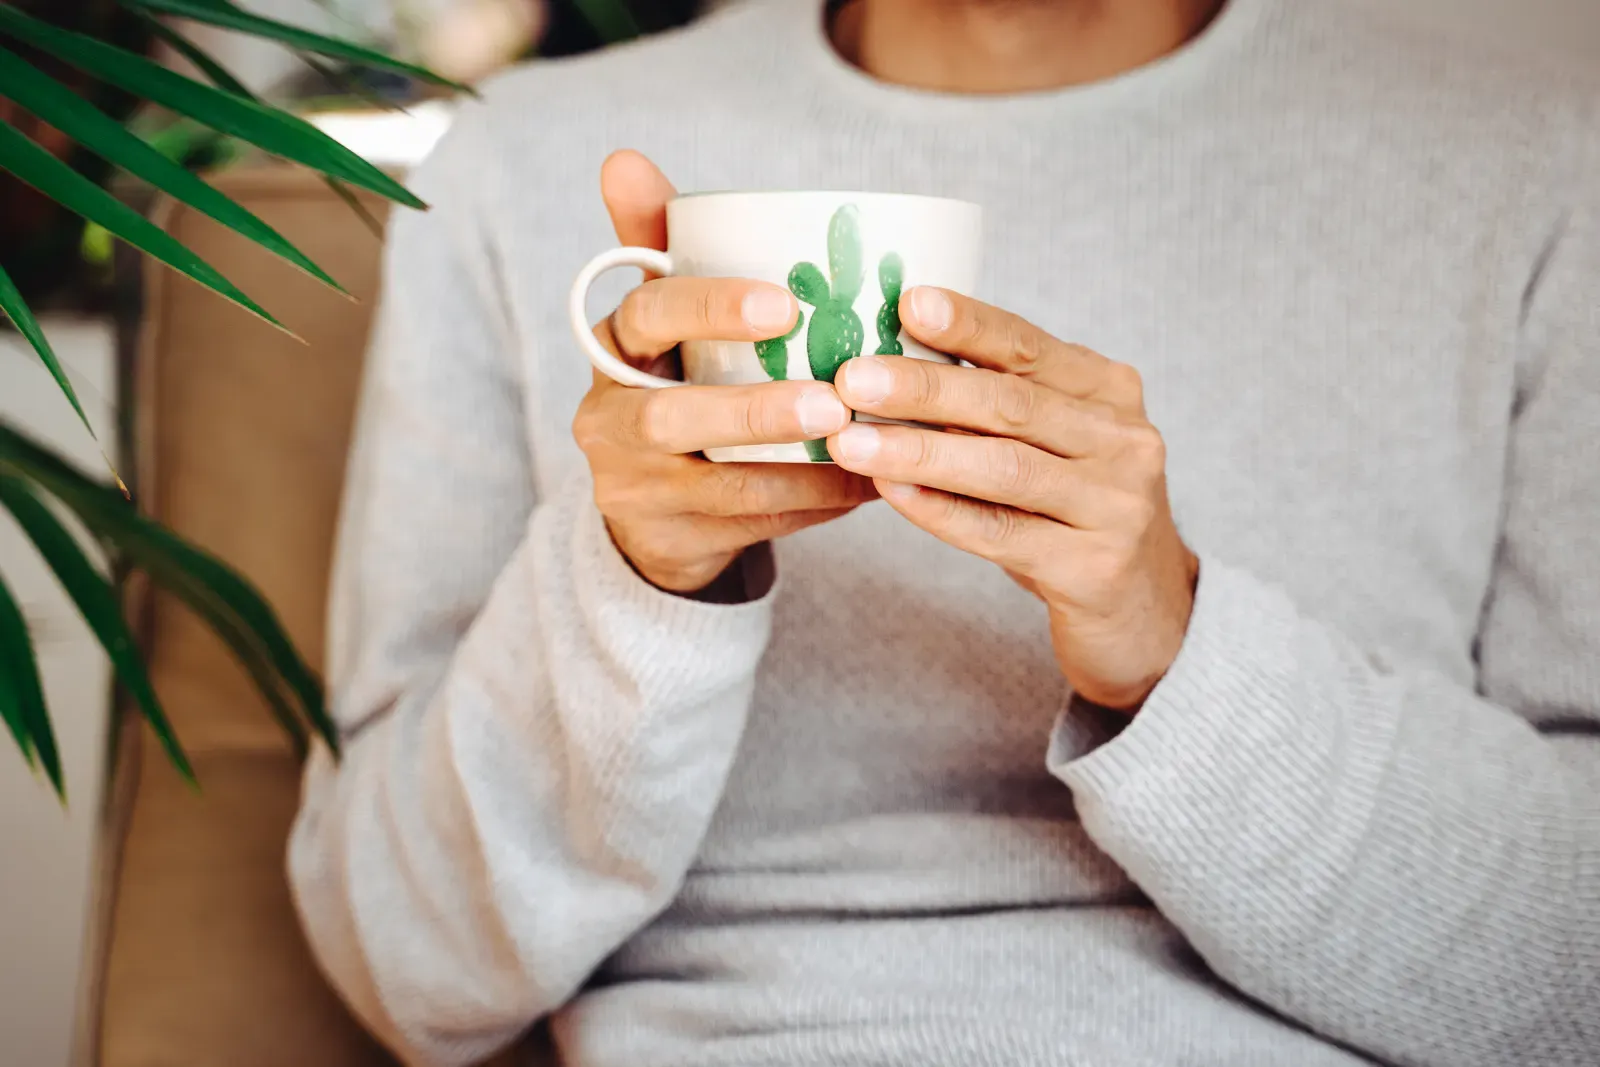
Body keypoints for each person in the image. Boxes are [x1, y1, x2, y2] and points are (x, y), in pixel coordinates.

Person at [286, 0, 1600, 1064]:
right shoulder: (523, 163)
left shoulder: (1531, 155)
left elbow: (1574, 987)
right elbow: (406, 966)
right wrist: (633, 589)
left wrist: (1173, 647)